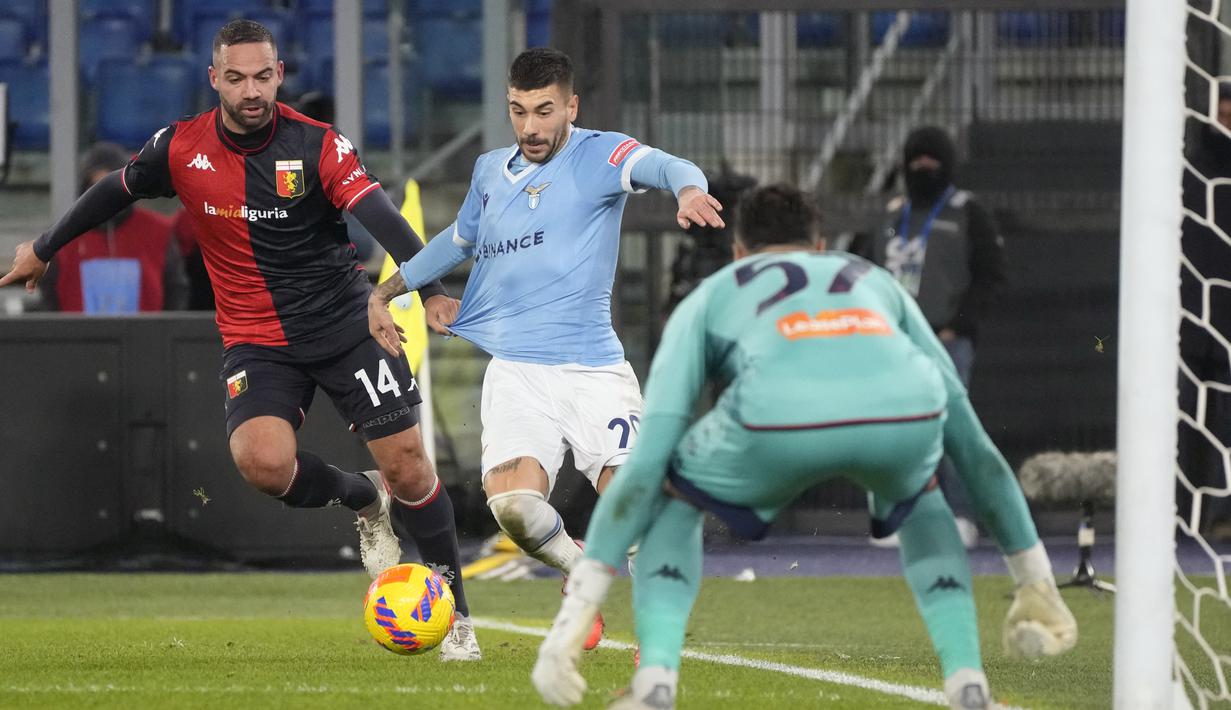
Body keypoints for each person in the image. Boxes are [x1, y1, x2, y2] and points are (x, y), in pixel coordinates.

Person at [0, 20, 481, 661]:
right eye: (236, 78)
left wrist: (429, 289)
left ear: (279, 75)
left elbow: (379, 214)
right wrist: (43, 246)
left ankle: (457, 618)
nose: (250, 91)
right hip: (257, 340)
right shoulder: (181, 147)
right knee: (262, 464)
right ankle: (363, 498)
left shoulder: (319, 145)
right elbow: (113, 191)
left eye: (261, 76)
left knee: (411, 467)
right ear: (214, 79)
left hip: (345, 326)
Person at [530, 185, 1077, 710]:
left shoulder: (715, 293)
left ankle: (654, 684)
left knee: (674, 501)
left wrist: (579, 609)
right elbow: (975, 450)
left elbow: (647, 462)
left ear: (738, 251)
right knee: (921, 495)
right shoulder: (872, 279)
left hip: (775, 416)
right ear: (819, 245)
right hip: (900, 413)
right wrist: (1035, 579)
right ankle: (967, 684)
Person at [368, 47, 725, 650]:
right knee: (514, 509)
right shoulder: (489, 171)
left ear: (570, 106)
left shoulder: (600, 155)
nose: (530, 126)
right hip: (517, 373)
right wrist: (389, 291)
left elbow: (670, 165)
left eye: (544, 110)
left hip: (593, 372)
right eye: (519, 111)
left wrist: (689, 191)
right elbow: (458, 241)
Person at [858, 125, 1006, 548]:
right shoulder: (890, 215)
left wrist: (957, 325)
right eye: (916, 159)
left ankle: (959, 515)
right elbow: (865, 272)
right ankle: (896, 515)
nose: (923, 167)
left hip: (946, 340)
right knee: (892, 429)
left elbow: (990, 274)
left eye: (931, 159)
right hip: (891, 342)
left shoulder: (967, 211)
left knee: (950, 428)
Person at [38, 142, 188, 312]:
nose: (104, 197)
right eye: (96, 188)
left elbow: (175, 289)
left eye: (111, 188)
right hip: (77, 330)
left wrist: (165, 329)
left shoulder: (158, 231)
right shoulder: (62, 237)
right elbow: (49, 295)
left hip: (148, 330)